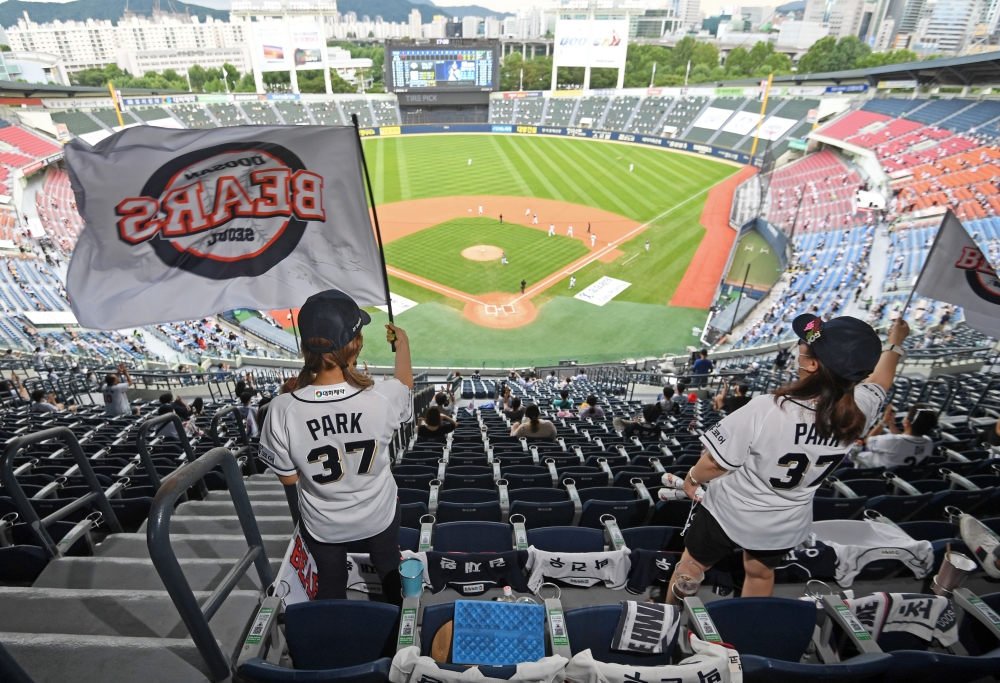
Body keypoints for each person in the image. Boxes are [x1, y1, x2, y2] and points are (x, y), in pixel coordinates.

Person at [665, 316, 909, 604]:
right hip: (786, 523)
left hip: (729, 512)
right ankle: (745, 634)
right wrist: (895, 343)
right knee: (759, 574)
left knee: (691, 567)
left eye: (805, 344)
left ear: (813, 364)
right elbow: (882, 379)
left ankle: (670, 618)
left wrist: (692, 479)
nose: (800, 345)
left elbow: (716, 464)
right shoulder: (862, 408)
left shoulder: (768, 408)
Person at [258, 289, 412, 603]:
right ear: (356, 344)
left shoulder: (281, 408)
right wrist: (403, 346)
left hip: (322, 523)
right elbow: (405, 387)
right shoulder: (384, 396)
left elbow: (288, 479)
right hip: (378, 514)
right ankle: (399, 632)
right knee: (388, 568)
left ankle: (333, 635)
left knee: (330, 582)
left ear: (306, 347)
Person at [863, 404, 937, 468]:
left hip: (874, 473)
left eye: (906, 416)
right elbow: (903, 441)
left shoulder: (890, 441)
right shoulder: (929, 443)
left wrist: (884, 422)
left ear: (907, 423)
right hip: (903, 478)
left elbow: (868, 441)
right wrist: (891, 423)